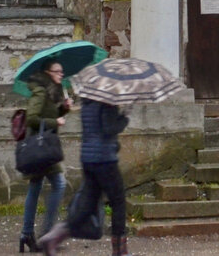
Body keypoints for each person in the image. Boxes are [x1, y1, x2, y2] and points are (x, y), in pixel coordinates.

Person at [38, 97, 133, 256]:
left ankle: (54, 235)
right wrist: (125, 117)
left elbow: (95, 129)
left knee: (87, 205)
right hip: (105, 160)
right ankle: (120, 251)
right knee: (118, 202)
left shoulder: (87, 103)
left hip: (88, 159)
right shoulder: (107, 102)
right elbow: (109, 128)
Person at [18, 61, 72, 252]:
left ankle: (27, 234)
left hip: (45, 147)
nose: (61, 74)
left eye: (62, 71)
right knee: (59, 184)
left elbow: (51, 112)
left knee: (35, 187)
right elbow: (31, 118)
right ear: (48, 73)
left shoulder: (50, 92)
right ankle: (48, 235)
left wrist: (64, 108)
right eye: (57, 71)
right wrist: (55, 121)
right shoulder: (40, 91)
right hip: (41, 147)